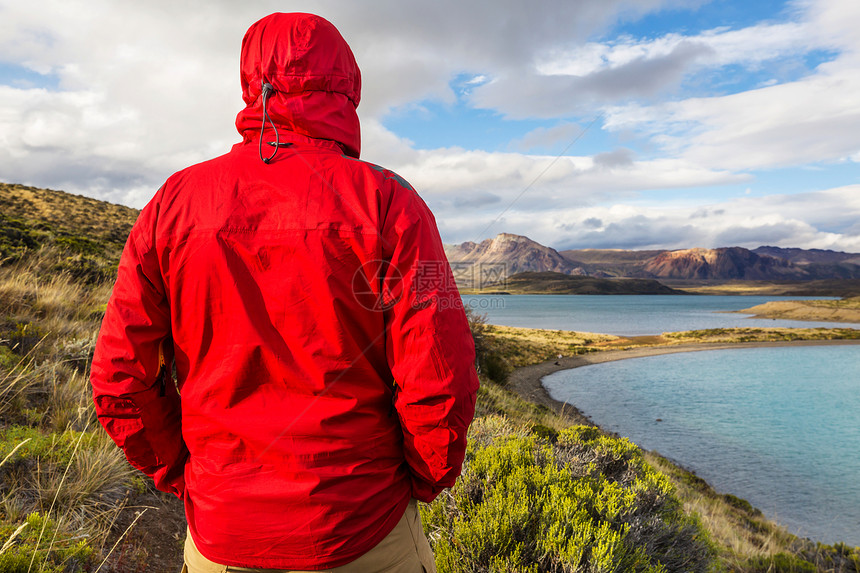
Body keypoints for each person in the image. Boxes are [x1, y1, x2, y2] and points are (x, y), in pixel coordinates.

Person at [90, 12, 479, 572]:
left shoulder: (171, 205)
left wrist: (185, 475)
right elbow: (441, 378)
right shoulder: (389, 202)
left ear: (251, 83)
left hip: (222, 534)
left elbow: (119, 378)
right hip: (365, 532)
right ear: (347, 86)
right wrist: (418, 481)